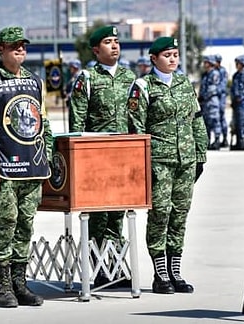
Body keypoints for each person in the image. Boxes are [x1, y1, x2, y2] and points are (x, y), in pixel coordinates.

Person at [0, 26, 52, 308]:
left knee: (26, 225)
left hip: (33, 165)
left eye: (23, 45)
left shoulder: (34, 81)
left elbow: (45, 124)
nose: (20, 49)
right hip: (5, 167)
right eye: (13, 45)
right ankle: (3, 286)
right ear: (1, 49)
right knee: (6, 223)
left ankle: (20, 283)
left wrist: (48, 156)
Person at [127, 36, 208, 294]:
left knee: (180, 214)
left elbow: (196, 119)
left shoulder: (185, 83)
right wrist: (142, 162)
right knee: (160, 213)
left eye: (175, 54)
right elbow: (136, 127)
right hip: (159, 161)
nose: (173, 59)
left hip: (186, 159)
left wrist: (201, 154)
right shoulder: (143, 86)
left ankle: (176, 270)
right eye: (167, 55)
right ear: (154, 59)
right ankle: (160, 272)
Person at [69, 25, 137, 287]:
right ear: (96, 50)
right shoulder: (87, 78)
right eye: (108, 42)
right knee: (97, 217)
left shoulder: (129, 77)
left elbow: (136, 117)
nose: (115, 46)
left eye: (117, 41)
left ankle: (115, 266)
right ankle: (94, 268)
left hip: (123, 157)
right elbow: (78, 120)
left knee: (117, 215)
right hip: (96, 158)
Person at [198, 55, 221, 150]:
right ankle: (207, 141)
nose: (204, 64)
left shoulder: (214, 73)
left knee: (214, 121)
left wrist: (204, 96)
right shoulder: (205, 74)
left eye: (206, 62)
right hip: (205, 103)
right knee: (206, 123)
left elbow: (213, 89)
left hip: (211, 101)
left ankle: (217, 140)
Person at [214, 54, 229, 147]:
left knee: (222, 117)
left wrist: (215, 91)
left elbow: (223, 85)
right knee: (217, 118)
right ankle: (218, 138)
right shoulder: (214, 71)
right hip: (216, 97)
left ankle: (224, 138)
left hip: (221, 97)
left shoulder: (222, 71)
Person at [63, 59, 81, 130]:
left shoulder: (79, 77)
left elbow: (78, 90)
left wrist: (69, 95)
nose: (70, 69)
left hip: (77, 105)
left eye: (71, 67)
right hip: (71, 104)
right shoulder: (73, 77)